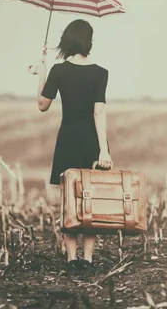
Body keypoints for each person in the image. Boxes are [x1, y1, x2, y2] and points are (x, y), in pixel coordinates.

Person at [34, 19, 113, 269]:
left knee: (69, 202)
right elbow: (98, 112)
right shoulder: (100, 73)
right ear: (88, 41)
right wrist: (103, 150)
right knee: (90, 202)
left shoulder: (59, 71)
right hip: (92, 141)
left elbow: (42, 105)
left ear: (67, 40)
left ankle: (71, 259)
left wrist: (41, 73)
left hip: (68, 139)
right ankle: (88, 259)